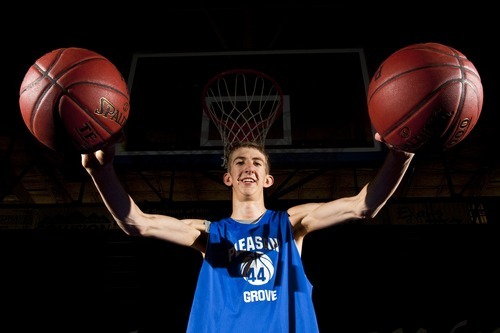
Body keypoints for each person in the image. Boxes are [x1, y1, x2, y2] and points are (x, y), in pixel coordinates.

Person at [81, 134, 414, 332]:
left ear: (268, 179)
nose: (248, 166)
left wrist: (400, 155)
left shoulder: (291, 224)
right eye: (239, 162)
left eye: (256, 162)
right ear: (228, 177)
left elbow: (362, 206)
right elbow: (137, 223)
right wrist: (101, 171)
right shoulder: (210, 234)